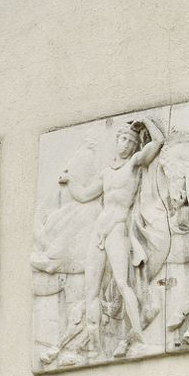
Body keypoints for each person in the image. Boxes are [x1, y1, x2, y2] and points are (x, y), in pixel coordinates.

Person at [63, 116, 166, 357]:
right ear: (117, 141)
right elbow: (85, 194)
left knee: (123, 283)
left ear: (134, 146)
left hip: (118, 228)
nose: (125, 144)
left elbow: (158, 142)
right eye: (122, 139)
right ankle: (95, 347)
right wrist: (70, 181)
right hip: (99, 230)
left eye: (130, 141)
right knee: (91, 292)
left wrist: (146, 122)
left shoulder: (134, 164)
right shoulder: (106, 173)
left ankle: (138, 339)